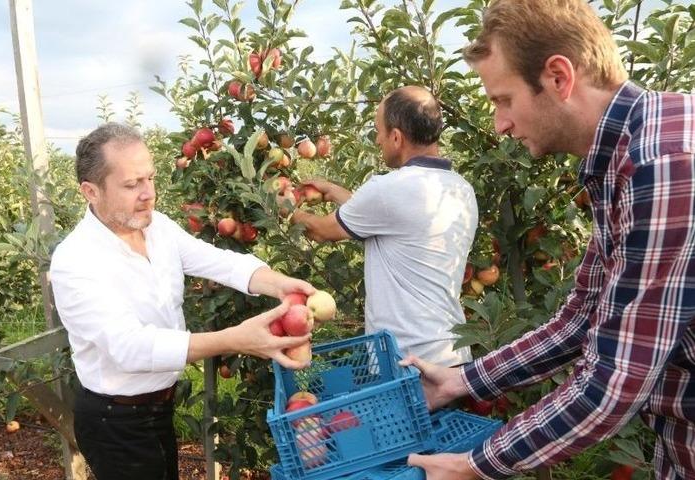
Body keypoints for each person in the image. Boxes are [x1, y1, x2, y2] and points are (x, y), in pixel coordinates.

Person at [403, 1, 695, 479]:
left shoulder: (660, 164)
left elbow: (614, 382)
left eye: (503, 100)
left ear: (559, 77)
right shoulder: (622, 159)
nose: (500, 124)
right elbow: (582, 317)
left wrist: (475, 465)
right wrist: (462, 381)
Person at [49, 122, 316, 480]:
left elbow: (218, 260)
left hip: (158, 407)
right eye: (131, 184)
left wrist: (279, 284)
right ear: (90, 191)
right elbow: (130, 347)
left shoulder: (156, 227)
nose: (148, 194)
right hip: (115, 422)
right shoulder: (76, 260)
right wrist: (235, 339)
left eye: (150, 178)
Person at [291, 86, 478, 367]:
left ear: (396, 137)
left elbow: (321, 230)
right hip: (453, 352)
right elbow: (395, 222)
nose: (377, 140)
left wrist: (285, 209)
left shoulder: (389, 189)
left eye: (379, 130)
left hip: (407, 360)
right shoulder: (460, 189)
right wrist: (332, 190)